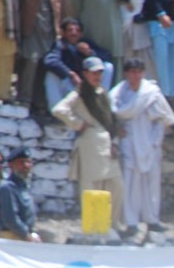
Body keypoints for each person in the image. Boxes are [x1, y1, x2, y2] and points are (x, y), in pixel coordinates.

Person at [53, 56, 125, 232]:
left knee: (116, 186)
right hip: (90, 143)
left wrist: (115, 141)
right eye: (93, 73)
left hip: (106, 142)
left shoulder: (102, 93)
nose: (97, 76)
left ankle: (112, 222)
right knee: (91, 187)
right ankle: (94, 227)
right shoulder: (79, 94)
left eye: (100, 73)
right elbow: (59, 109)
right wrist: (79, 123)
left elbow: (111, 119)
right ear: (85, 74)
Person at [110, 58, 174, 237]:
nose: (136, 75)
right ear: (126, 73)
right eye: (132, 71)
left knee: (151, 183)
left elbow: (164, 117)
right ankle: (131, 223)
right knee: (130, 183)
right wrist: (117, 132)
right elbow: (113, 116)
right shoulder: (118, 94)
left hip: (149, 141)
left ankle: (152, 220)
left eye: (139, 71)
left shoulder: (151, 93)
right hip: (129, 142)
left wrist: (155, 141)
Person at [16, 0, 63, 113]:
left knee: (46, 65)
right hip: (31, 28)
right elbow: (17, 2)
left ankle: (41, 102)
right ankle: (24, 100)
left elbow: (59, 1)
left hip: (50, 29)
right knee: (31, 62)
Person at [42, 18, 115, 112]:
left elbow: (107, 56)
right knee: (51, 75)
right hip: (69, 84)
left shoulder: (86, 43)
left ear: (81, 34)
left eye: (77, 31)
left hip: (87, 84)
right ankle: (57, 112)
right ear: (63, 33)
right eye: (70, 30)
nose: (74, 33)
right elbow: (49, 61)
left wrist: (90, 52)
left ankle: (100, 102)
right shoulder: (60, 44)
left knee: (108, 66)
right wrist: (70, 74)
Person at [0, 146, 39, 242]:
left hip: (25, 237)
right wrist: (27, 236)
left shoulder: (24, 186)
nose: (26, 165)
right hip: (12, 237)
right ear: (11, 165)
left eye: (28, 162)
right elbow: (10, 219)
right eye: (21, 162)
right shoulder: (7, 188)